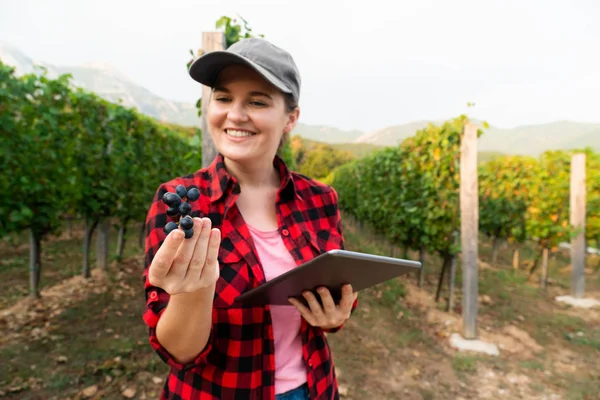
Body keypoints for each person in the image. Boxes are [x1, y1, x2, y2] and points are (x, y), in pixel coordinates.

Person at [142, 37, 358, 400]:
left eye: (257, 102)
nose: (235, 114)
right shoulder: (180, 204)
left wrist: (336, 316)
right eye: (223, 98)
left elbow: (338, 292)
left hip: (312, 389)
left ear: (291, 118)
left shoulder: (320, 200)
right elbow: (179, 352)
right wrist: (193, 293)